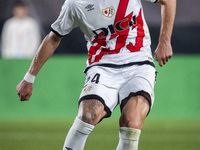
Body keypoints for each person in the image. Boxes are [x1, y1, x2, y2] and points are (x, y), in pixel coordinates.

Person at [16, 0, 176, 149]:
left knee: (132, 121)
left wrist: (165, 41)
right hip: (102, 66)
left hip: (138, 63)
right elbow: (53, 38)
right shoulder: (74, 4)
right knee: (87, 115)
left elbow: (168, 1)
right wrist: (29, 78)